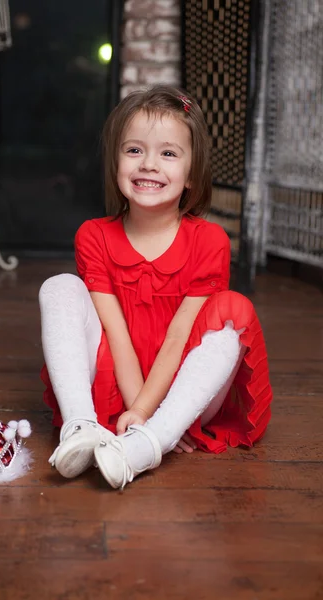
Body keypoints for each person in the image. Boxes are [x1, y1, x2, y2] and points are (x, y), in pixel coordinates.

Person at [39, 85, 272, 490]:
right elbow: (115, 334)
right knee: (59, 286)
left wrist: (150, 415)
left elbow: (180, 336)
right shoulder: (93, 236)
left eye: (168, 153)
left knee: (235, 309)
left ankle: (152, 443)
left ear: (191, 176)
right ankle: (81, 426)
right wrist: (135, 406)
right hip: (110, 389)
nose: (149, 164)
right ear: (115, 163)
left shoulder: (209, 240)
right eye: (134, 150)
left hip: (186, 396)